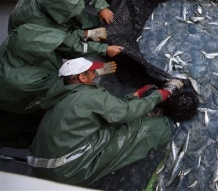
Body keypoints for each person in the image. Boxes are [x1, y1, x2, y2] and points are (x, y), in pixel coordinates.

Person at [27, 58, 181, 186]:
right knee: (150, 128)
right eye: (93, 72)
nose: (95, 74)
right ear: (82, 77)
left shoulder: (63, 96)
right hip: (66, 169)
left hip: (39, 165)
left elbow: (107, 110)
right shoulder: (88, 96)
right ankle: (162, 132)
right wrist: (160, 95)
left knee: (119, 121)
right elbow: (124, 113)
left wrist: (134, 96)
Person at [0, 25, 117, 147]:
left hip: (24, 91)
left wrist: (86, 35)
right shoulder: (24, 81)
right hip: (17, 103)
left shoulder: (22, 37)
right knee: (27, 127)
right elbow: (61, 87)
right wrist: (94, 74)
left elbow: (58, 40)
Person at [8, 0, 122, 58]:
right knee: (66, 47)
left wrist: (101, 7)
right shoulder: (40, 27)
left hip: (38, 7)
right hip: (30, 31)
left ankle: (88, 28)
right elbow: (69, 45)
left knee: (79, 16)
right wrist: (103, 50)